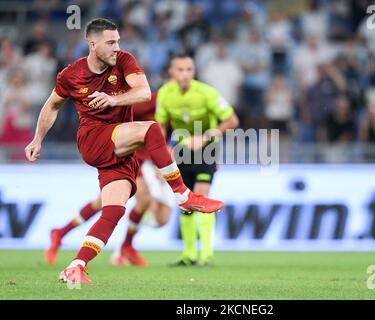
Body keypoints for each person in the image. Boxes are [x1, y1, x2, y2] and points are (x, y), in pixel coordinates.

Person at [24, 18, 224, 284]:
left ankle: (76, 265)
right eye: (110, 42)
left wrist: (113, 99)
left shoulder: (125, 61)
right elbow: (52, 106)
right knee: (151, 130)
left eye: (118, 41)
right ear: (92, 44)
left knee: (113, 210)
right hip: (94, 138)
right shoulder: (72, 74)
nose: (116, 47)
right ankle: (183, 195)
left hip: (122, 149)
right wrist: (38, 138)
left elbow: (142, 92)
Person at [45, 93, 173, 267]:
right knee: (143, 199)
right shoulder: (151, 100)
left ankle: (61, 232)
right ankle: (126, 246)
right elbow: (122, 117)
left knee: (101, 203)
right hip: (132, 157)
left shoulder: (183, 107)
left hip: (149, 160)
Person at [156, 54, 239, 267]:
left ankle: (207, 255)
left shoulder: (207, 93)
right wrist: (163, 153)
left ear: (194, 72)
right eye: (180, 70)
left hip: (206, 149)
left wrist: (206, 136)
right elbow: (161, 126)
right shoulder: (165, 94)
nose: (185, 74)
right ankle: (189, 254)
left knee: (202, 197)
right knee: (185, 202)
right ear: (171, 72)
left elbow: (232, 120)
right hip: (180, 151)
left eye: (189, 70)